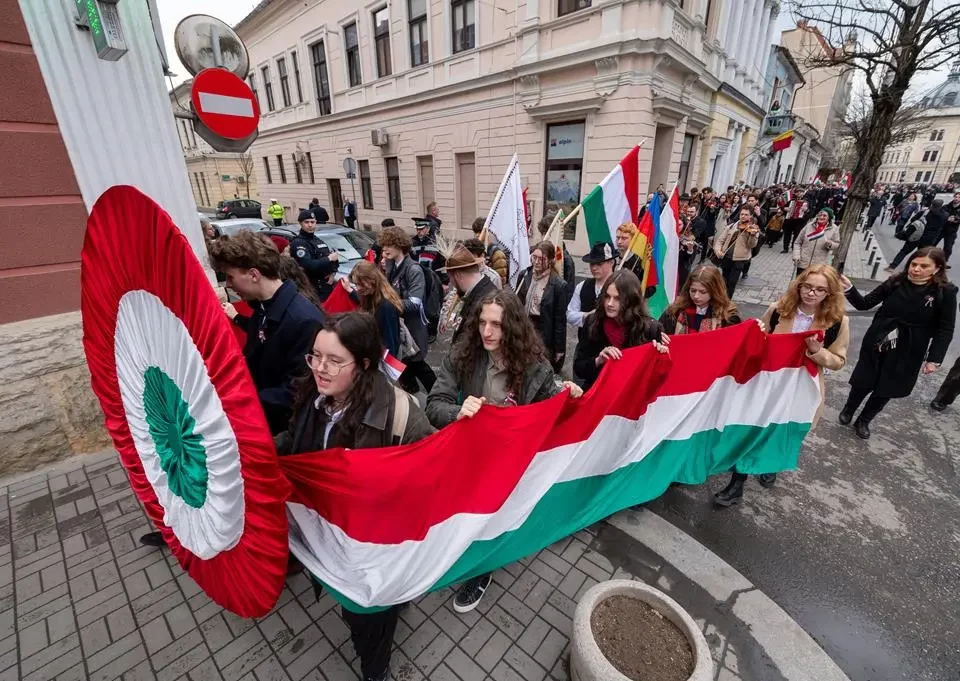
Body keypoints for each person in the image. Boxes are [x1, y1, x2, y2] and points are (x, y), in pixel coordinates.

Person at [277, 313, 435, 681]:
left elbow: (427, 474)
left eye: (334, 360)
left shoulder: (400, 414)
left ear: (364, 364)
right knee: (358, 608)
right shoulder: (312, 396)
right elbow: (297, 445)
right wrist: (261, 453)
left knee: (366, 620)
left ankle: (375, 667)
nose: (320, 368)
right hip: (332, 535)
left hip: (376, 545)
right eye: (315, 356)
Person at [426, 290, 582, 613]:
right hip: (469, 456)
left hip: (509, 463)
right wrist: (457, 410)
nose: (486, 332)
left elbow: (552, 412)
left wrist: (571, 395)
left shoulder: (534, 367)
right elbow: (433, 404)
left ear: (511, 327)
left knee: (493, 519)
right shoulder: (463, 354)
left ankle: (483, 570)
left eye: (495, 324)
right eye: (482, 322)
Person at [713, 265, 850, 507]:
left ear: (829, 294)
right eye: (807, 287)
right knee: (754, 426)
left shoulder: (837, 322)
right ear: (799, 286)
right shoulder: (778, 310)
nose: (811, 293)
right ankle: (737, 484)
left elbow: (838, 360)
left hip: (801, 387)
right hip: (769, 381)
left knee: (781, 430)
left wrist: (818, 352)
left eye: (820, 290)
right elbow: (760, 340)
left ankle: (770, 462)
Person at [839, 248, 957, 439]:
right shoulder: (895, 282)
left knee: (888, 385)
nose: (916, 269)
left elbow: (946, 328)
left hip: (910, 346)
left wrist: (934, 359)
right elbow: (865, 304)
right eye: (914, 264)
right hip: (879, 338)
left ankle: (864, 420)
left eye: (923, 266)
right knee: (865, 378)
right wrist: (849, 289)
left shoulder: (945, 292)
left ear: (937, 269)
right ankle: (849, 409)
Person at [572, 269, 668, 391]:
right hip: (600, 396)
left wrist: (660, 357)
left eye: (617, 298)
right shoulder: (593, 322)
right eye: (607, 297)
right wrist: (598, 360)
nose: (610, 303)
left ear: (631, 300)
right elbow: (579, 368)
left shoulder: (651, 329)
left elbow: (658, 379)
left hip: (632, 399)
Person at [380, 227, 437, 394]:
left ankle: (438, 397)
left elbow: (415, 303)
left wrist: (388, 304)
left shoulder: (413, 269)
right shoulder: (391, 265)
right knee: (405, 367)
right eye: (383, 245)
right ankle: (414, 397)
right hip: (400, 328)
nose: (385, 249)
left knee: (417, 365)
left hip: (413, 328)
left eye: (389, 244)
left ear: (400, 245)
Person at [516, 242, 568, 372]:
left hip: (544, 331)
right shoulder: (525, 275)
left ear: (550, 261)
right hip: (525, 327)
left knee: (539, 369)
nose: (537, 262)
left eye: (542, 259)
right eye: (534, 257)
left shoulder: (558, 285)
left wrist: (559, 348)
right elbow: (517, 303)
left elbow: (560, 320)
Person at [344, 260, 403, 358]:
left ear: (372, 280)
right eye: (356, 284)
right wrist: (350, 291)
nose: (358, 288)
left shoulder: (385, 306)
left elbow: (389, 342)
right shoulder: (373, 296)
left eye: (361, 284)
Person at [659, 265, 741, 335]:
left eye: (703, 292)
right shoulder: (675, 311)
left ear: (714, 291)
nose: (696, 296)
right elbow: (660, 334)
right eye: (693, 290)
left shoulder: (728, 316)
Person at [567, 242, 617, 352]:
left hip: (613, 348)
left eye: (599, 264)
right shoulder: (582, 286)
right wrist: (585, 316)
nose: (594, 268)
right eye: (591, 264)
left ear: (611, 262)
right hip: (586, 347)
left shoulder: (621, 287)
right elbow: (570, 314)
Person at [445, 243, 499, 344]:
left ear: (457, 275)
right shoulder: (480, 291)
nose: (451, 282)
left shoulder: (482, 302)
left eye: (450, 278)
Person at [290, 209, 340, 302]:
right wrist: (328, 259)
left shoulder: (317, 240)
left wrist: (333, 273)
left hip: (325, 288)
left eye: (312, 222)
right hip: (311, 290)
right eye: (306, 222)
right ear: (300, 223)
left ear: (316, 223)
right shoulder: (298, 243)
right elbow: (309, 265)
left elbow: (335, 260)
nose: (310, 225)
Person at [714, 207, 760, 297]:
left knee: (732, 282)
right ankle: (721, 299)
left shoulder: (752, 229)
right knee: (724, 281)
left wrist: (752, 236)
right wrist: (718, 250)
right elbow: (720, 240)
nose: (743, 216)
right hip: (726, 257)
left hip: (739, 260)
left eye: (746, 214)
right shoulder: (731, 226)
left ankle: (727, 302)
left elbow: (751, 245)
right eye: (741, 214)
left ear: (751, 216)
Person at [887, 200, 945, 271]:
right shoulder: (944, 216)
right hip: (928, 239)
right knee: (921, 256)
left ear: (932, 204)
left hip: (916, 235)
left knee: (904, 251)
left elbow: (913, 220)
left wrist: (921, 211)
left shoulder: (926, 212)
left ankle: (892, 267)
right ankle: (912, 269)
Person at [536, 214, 576, 297]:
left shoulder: (565, 260)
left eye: (547, 233)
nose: (544, 237)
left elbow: (568, 292)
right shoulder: (537, 253)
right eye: (542, 233)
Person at [793, 207, 841, 276]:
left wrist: (830, 244)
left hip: (819, 266)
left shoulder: (834, 229)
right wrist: (796, 255)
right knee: (799, 285)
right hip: (803, 263)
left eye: (824, 215)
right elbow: (797, 242)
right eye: (820, 214)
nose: (821, 217)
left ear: (829, 218)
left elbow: (837, 244)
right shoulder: (809, 225)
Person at [472, 217, 509, 286]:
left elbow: (500, 281)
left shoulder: (497, 254)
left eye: (480, 232)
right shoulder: (475, 251)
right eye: (475, 232)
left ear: (487, 232)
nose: (477, 235)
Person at [410, 218, 448, 285]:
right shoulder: (412, 242)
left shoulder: (437, 242)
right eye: (417, 229)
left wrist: (445, 282)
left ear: (428, 228)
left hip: (434, 279)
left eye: (421, 229)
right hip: (417, 279)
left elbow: (443, 263)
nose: (418, 231)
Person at [940, 190, 960, 261]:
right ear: (953, 197)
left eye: (958, 197)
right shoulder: (946, 206)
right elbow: (940, 214)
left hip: (951, 231)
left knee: (948, 248)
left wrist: (956, 219)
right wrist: (947, 218)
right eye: (956, 197)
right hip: (942, 229)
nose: (956, 198)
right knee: (932, 243)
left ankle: (944, 262)